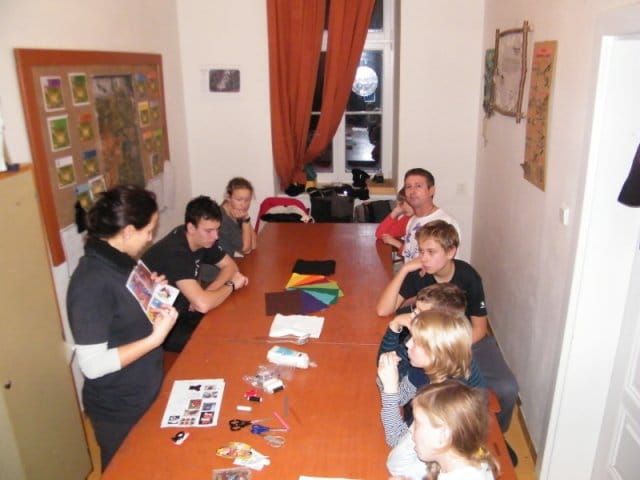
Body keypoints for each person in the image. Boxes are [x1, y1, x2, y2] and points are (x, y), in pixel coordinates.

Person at [67, 185, 178, 470]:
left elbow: (123, 315)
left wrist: (151, 292)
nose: (151, 238)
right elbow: (92, 366)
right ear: (128, 231)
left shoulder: (120, 261)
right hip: (119, 407)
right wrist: (155, 339)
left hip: (143, 391)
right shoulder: (89, 282)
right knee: (125, 469)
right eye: (148, 231)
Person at [376, 220, 519, 433]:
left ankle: (496, 435)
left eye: (431, 252)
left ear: (451, 252)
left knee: (507, 388)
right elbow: (383, 310)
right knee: (418, 375)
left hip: (468, 336)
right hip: (431, 337)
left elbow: (480, 328)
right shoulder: (419, 273)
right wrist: (405, 268)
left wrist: (446, 348)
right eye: (421, 251)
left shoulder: (468, 276)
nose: (424, 258)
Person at [378, 309, 486, 479]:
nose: (407, 344)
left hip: (428, 463)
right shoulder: (426, 370)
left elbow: (395, 438)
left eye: (416, 341)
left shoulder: (444, 399)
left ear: (436, 352)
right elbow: (401, 397)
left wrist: (390, 388)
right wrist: (388, 377)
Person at [142, 195, 248, 352]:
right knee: (219, 342)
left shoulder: (203, 239)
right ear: (191, 228)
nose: (215, 236)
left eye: (217, 229)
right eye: (209, 231)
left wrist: (208, 291)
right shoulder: (176, 252)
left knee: (234, 321)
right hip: (161, 324)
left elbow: (230, 266)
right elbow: (203, 305)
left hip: (184, 309)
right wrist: (231, 285)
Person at [391, 381, 499, 480]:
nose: (410, 429)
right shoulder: (450, 459)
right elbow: (397, 466)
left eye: (417, 423)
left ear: (442, 436)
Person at [401, 168, 460, 262]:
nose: (412, 191)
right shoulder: (412, 220)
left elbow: (451, 264)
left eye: (418, 186)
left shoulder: (446, 222)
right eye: (408, 187)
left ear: (431, 191)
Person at [218, 177, 257, 256]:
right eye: (239, 200)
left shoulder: (237, 213)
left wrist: (246, 218)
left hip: (228, 261)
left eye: (247, 200)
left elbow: (254, 245)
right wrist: (246, 220)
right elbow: (246, 250)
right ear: (228, 197)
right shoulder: (222, 219)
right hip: (217, 263)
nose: (243, 204)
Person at [375, 187, 415, 255]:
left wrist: (396, 243)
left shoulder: (423, 222)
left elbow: (416, 254)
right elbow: (380, 234)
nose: (403, 207)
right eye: (402, 203)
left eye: (408, 203)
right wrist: (394, 212)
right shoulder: (407, 218)